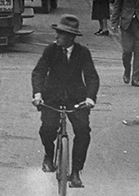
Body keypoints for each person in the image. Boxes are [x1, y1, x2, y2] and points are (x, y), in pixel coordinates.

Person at [31, 13, 99, 189]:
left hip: (76, 99)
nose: (56, 36)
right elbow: (39, 72)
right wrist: (37, 94)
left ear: (71, 37)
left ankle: (76, 172)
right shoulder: (50, 50)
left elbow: (91, 76)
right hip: (52, 98)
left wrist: (90, 98)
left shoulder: (83, 53)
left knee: (83, 131)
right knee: (47, 129)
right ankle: (48, 154)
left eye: (60, 34)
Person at [110, 0, 139, 85]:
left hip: (138, 24)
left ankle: (136, 78)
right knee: (127, 51)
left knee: (138, 51)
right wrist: (114, 23)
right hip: (126, 24)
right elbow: (117, 6)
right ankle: (127, 71)